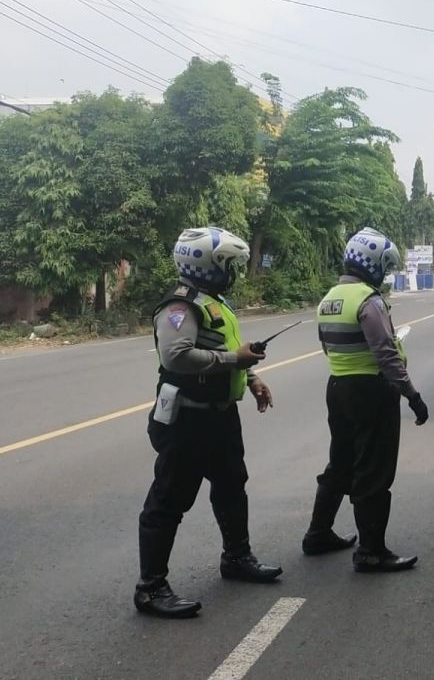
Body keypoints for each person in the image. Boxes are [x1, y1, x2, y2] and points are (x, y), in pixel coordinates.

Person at [134, 227, 282, 619]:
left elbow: (225, 348)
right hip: (188, 418)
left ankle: (236, 557)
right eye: (228, 264)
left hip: (220, 415)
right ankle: (150, 589)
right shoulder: (179, 308)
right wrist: (237, 362)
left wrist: (253, 380)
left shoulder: (214, 302)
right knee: (168, 501)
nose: (232, 271)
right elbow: (176, 357)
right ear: (206, 265)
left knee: (232, 485)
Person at [302, 226, 429, 572]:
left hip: (338, 387)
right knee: (373, 469)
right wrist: (412, 395)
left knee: (341, 462)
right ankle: (371, 551)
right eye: (384, 268)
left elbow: (327, 346)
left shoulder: (329, 298)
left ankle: (318, 532)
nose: (385, 275)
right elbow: (386, 354)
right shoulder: (369, 301)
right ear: (372, 265)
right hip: (371, 391)